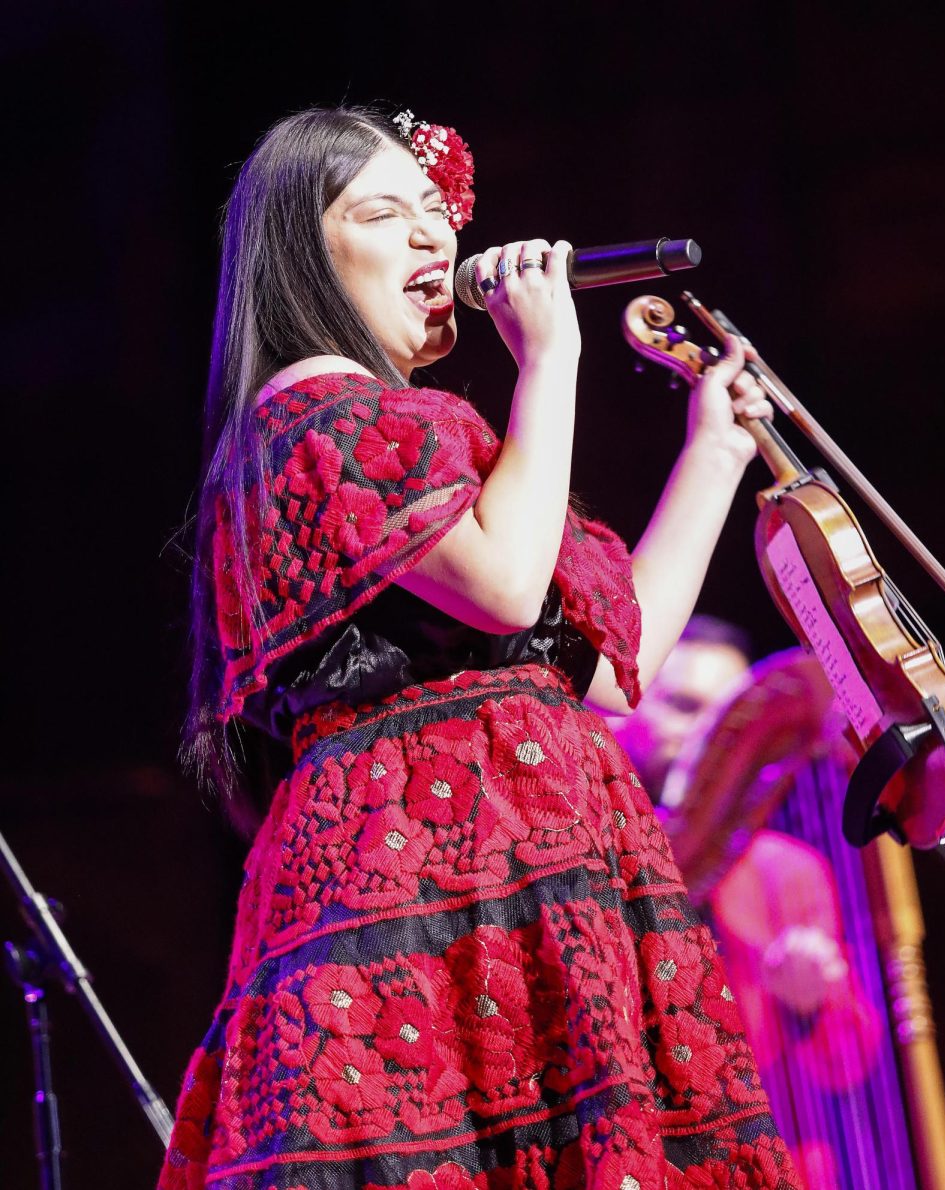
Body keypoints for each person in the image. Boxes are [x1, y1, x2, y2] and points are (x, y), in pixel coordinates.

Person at [160, 106, 802, 1189]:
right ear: (302, 260)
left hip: (525, 873)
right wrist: (548, 360)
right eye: (383, 213)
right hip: (424, 885)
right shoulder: (315, 415)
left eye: (434, 213)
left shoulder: (436, 446)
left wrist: (719, 448)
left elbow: (606, 665)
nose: (433, 240)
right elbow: (509, 587)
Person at [607, 618, 888, 1189]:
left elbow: (849, 1065)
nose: (709, 737)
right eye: (686, 707)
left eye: (731, 719)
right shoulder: (574, 856)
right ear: (623, 713)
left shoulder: (788, 873)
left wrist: (814, 1000)